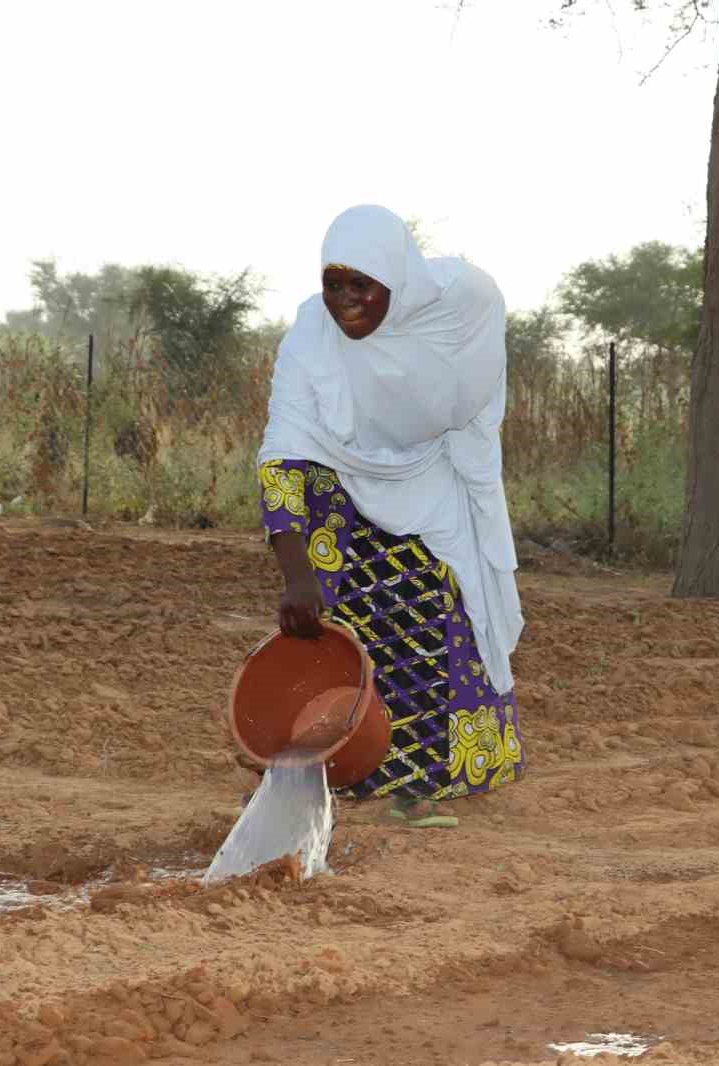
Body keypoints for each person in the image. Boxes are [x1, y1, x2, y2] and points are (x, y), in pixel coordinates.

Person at [252, 204, 526, 828]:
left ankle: (430, 780)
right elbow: (281, 454)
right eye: (332, 284)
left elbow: (467, 391)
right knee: (350, 625)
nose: (344, 301)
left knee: (433, 616)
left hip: (435, 487)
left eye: (361, 285)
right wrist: (297, 576)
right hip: (344, 497)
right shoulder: (308, 341)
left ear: (397, 284)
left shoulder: (458, 312)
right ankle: (346, 768)